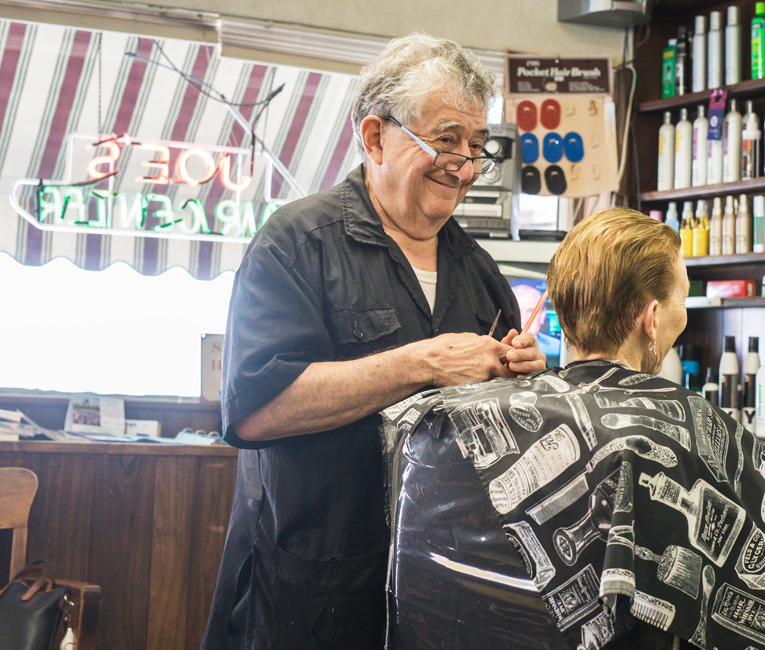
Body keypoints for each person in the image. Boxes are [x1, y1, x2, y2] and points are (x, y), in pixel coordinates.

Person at [384, 208, 765, 650]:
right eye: (680, 301)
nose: (684, 317)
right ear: (651, 318)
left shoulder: (460, 412)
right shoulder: (675, 429)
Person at [201, 34, 547, 650]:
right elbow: (255, 410)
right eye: (445, 141)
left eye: (476, 148)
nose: (464, 167)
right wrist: (423, 362)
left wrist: (525, 377)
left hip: (443, 598)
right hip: (309, 600)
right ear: (374, 137)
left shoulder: (480, 271)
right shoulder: (297, 243)